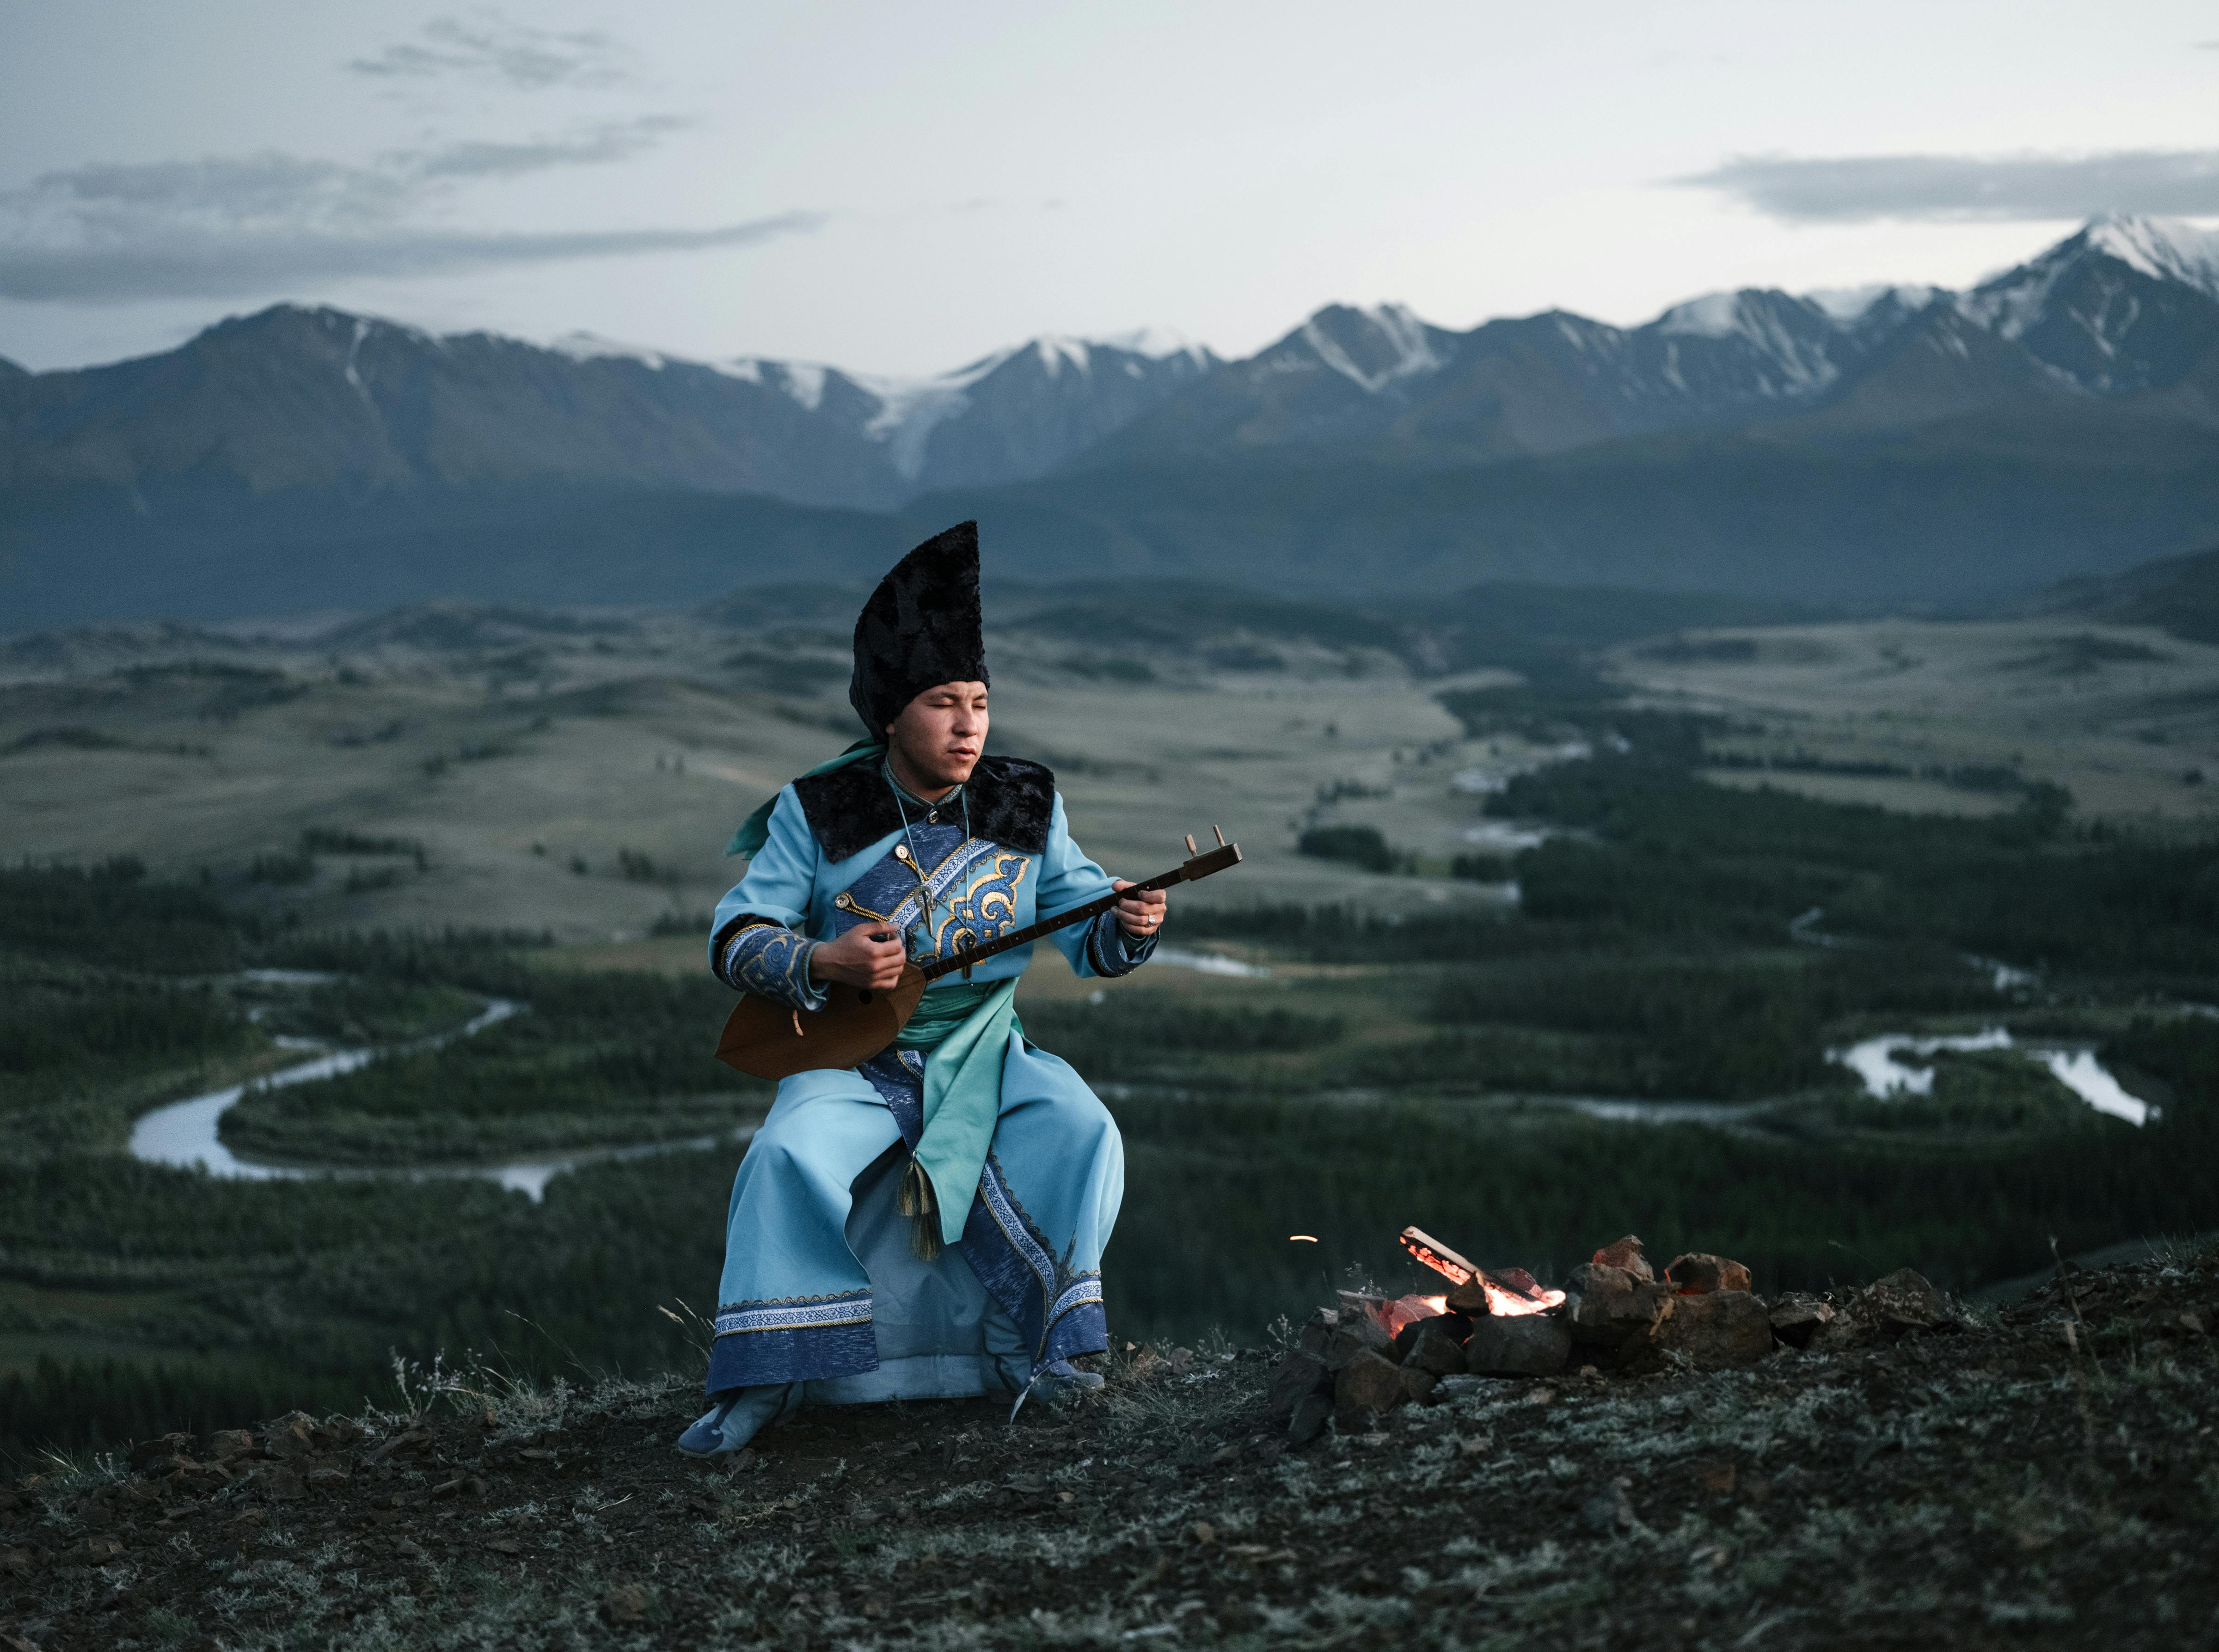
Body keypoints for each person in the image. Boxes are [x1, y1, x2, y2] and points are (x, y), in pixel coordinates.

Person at [678, 521, 1167, 1457]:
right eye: (944, 701)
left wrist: (1128, 924)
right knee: (785, 1155)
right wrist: (824, 962)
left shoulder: (1027, 801)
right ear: (892, 713)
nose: (969, 724)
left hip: (987, 1044)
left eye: (980, 702)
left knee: (1083, 1127)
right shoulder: (818, 810)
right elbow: (737, 936)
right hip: (854, 1052)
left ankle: (1034, 1349)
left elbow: (1085, 923)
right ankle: (768, 1379)